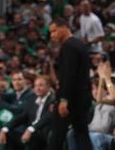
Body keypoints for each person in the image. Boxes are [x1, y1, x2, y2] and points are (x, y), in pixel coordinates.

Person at [49, 17, 92, 150]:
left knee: (56, 137)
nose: (52, 35)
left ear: (65, 27)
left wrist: (63, 99)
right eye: (50, 32)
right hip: (83, 98)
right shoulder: (79, 44)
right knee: (82, 134)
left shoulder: (69, 46)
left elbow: (69, 76)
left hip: (70, 100)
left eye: (55, 31)